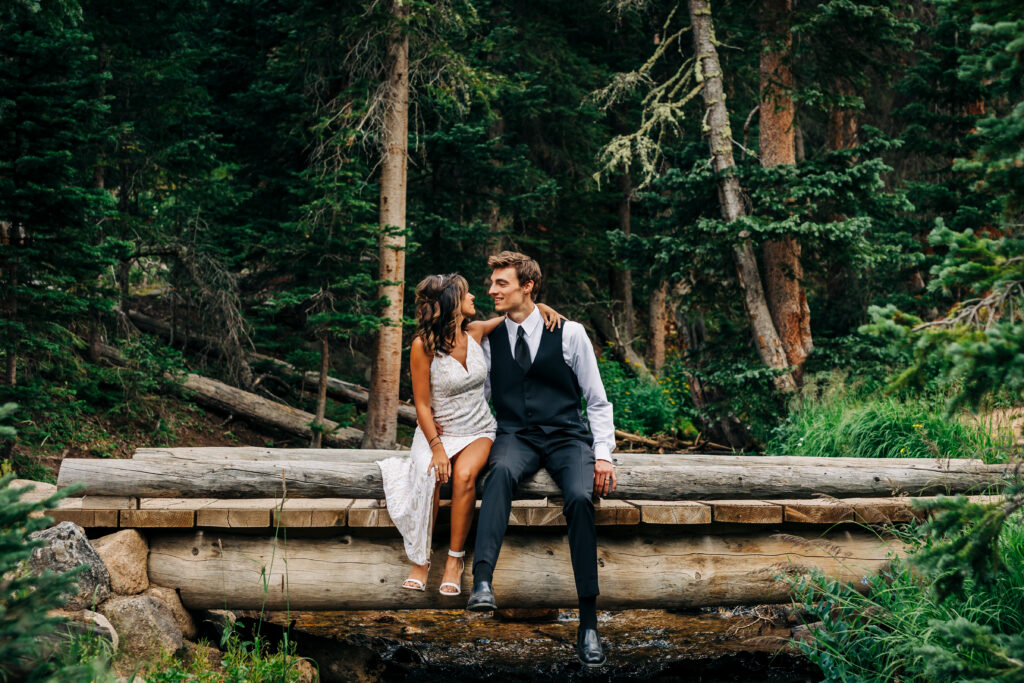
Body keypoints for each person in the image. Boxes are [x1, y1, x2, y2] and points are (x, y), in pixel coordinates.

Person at [466, 251, 616, 669]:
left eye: (501, 284)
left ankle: (588, 623)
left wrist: (603, 456)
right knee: (498, 474)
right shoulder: (488, 338)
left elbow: (598, 401)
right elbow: (481, 400)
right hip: (516, 435)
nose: (491, 290)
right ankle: (482, 582)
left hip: (568, 436)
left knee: (580, 498)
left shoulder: (570, 333)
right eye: (492, 282)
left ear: (527, 287)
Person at [376, 273, 563, 596]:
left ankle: (454, 558)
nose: (475, 297)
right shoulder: (423, 346)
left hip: (479, 429)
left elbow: (513, 315)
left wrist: (541, 305)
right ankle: (420, 560)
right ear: (451, 303)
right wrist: (435, 446)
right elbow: (421, 404)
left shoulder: (475, 332)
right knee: (429, 474)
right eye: (466, 294)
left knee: (464, 476)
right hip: (437, 431)